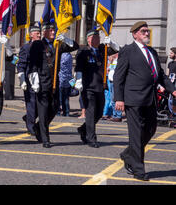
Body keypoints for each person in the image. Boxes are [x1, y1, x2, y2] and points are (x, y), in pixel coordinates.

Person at [114, 21, 176, 181]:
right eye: (143, 31)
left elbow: (160, 75)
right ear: (134, 34)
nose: (146, 33)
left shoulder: (152, 52)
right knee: (135, 134)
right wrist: (119, 98)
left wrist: (172, 89)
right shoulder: (128, 51)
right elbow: (118, 76)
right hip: (133, 99)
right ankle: (138, 170)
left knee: (150, 130)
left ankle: (128, 154)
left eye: (147, 31)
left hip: (150, 98)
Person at [28, 21, 79, 148]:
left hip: (55, 83)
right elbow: (32, 63)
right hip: (42, 81)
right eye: (50, 30)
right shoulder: (38, 45)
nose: (53, 32)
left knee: (55, 107)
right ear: (44, 31)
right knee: (43, 110)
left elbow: (75, 46)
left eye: (53, 30)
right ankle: (45, 139)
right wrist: (34, 79)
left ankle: (38, 127)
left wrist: (65, 39)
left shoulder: (58, 45)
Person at [74, 29, 120, 148]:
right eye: (95, 37)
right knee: (90, 112)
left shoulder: (102, 50)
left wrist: (111, 42)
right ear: (89, 39)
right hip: (88, 86)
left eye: (98, 37)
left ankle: (83, 129)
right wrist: (78, 80)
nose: (97, 39)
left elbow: (117, 50)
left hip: (100, 86)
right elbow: (78, 67)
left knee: (99, 113)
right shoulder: (83, 51)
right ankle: (91, 138)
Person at [17, 25, 41, 135]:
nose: (39, 35)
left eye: (40, 33)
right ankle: (31, 126)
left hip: (42, 79)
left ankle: (28, 118)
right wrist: (22, 79)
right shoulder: (26, 48)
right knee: (31, 103)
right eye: (37, 33)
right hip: (29, 79)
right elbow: (21, 64)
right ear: (31, 35)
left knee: (40, 104)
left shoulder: (43, 46)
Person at [58, 52, 73, 117]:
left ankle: (58, 111)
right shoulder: (70, 55)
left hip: (61, 78)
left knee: (59, 97)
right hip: (68, 78)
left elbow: (61, 66)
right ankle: (66, 112)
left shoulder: (62, 55)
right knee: (66, 98)